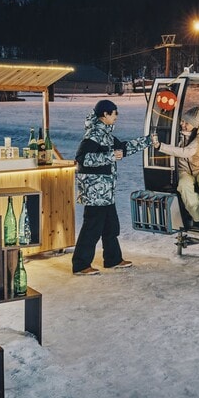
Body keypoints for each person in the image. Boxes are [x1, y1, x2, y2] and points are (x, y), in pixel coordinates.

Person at [72, 100, 153, 275]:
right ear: (105, 114)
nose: (117, 116)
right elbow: (82, 159)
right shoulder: (93, 135)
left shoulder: (106, 134)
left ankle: (113, 259)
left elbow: (122, 148)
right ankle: (80, 264)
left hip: (105, 191)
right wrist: (109, 156)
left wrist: (147, 142)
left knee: (111, 225)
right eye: (114, 113)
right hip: (95, 191)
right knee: (92, 227)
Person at [151, 106, 199, 228]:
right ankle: (198, 218)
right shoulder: (176, 135)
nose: (182, 124)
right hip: (184, 171)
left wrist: (160, 146)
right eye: (182, 121)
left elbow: (186, 152)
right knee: (183, 186)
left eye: (186, 123)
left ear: (194, 125)